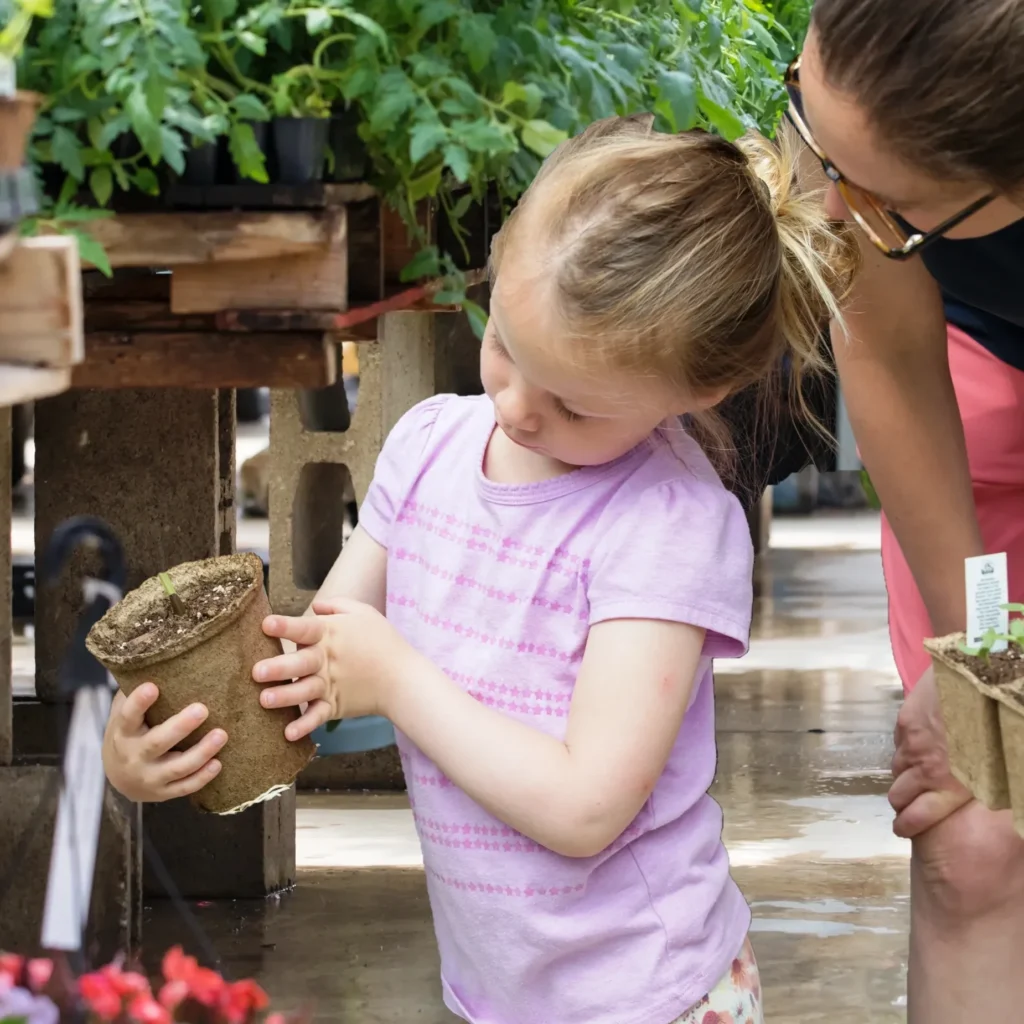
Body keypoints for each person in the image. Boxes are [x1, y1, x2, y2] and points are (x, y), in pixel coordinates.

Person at [102, 115, 854, 1023]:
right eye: (503, 345)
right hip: (493, 990)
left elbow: (585, 808)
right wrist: (170, 744)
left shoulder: (668, 525)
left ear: (702, 388)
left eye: (572, 404)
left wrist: (400, 680)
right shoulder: (427, 450)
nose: (516, 407)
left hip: (651, 995)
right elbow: (313, 683)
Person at [788, 2, 1024, 1020]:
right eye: (809, 130)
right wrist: (974, 654)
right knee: (978, 830)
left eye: (884, 198)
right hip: (967, 386)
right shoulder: (856, 96)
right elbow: (880, 342)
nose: (822, 208)